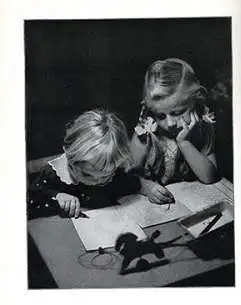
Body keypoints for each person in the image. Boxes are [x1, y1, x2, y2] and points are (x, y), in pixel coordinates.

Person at [27, 109, 159, 219]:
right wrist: (56, 197)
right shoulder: (53, 174)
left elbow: (131, 182)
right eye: (87, 174)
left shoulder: (115, 174)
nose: (97, 181)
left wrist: (149, 187)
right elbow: (31, 199)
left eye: (106, 176)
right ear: (69, 157)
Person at [130, 58, 219, 204]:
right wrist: (147, 187)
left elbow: (210, 177)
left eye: (177, 113)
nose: (170, 123)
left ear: (195, 100)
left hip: (190, 203)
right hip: (150, 207)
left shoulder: (203, 128)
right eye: (160, 116)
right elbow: (127, 175)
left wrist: (184, 143)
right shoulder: (146, 133)